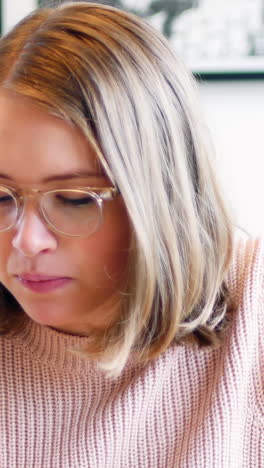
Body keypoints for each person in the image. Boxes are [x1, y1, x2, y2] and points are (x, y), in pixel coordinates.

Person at [0, 2, 263, 467]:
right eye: (0, 198)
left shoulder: (253, 307)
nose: (26, 241)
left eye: (76, 198)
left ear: (158, 194)